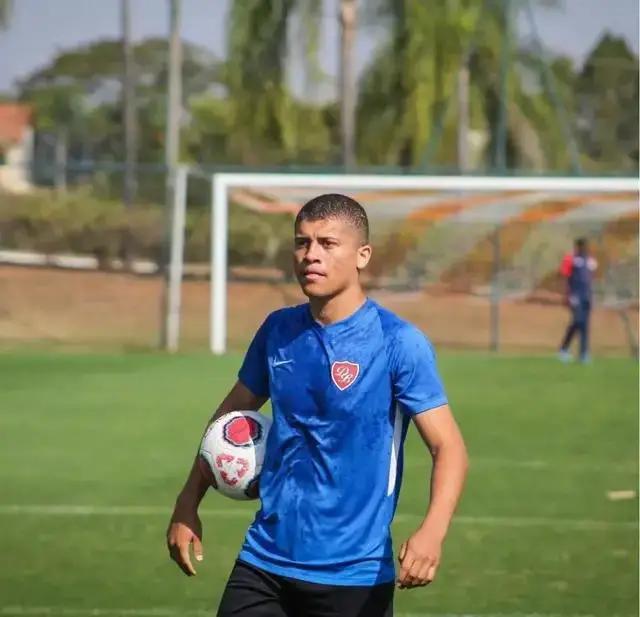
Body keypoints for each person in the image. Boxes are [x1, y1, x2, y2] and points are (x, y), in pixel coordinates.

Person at [167, 194, 468, 617]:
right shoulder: (278, 330)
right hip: (264, 561)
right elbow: (227, 420)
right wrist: (188, 501)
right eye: (302, 242)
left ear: (362, 255)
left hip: (354, 575)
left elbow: (448, 447)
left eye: (327, 243)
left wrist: (432, 532)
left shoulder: (398, 342)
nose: (311, 255)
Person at [558, 237, 597, 363]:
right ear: (578, 247)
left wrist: (592, 295)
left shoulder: (590, 261)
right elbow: (565, 277)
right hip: (575, 295)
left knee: (585, 325)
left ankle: (583, 353)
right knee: (578, 321)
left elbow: (591, 279)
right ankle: (564, 349)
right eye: (582, 246)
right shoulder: (570, 259)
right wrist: (567, 295)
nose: (584, 249)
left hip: (587, 296)